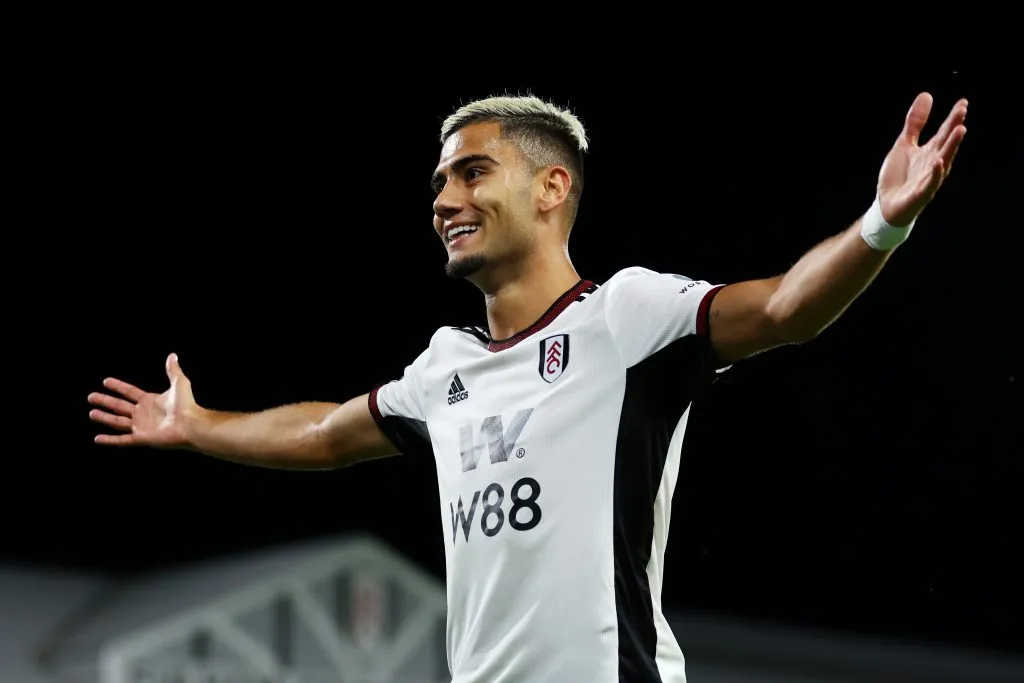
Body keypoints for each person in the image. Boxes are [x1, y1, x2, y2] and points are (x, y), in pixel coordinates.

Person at [88, 92, 968, 683]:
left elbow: (783, 307)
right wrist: (199, 425)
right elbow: (322, 434)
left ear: (552, 188)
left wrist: (882, 222)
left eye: (472, 171)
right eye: (438, 181)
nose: (444, 197)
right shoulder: (446, 369)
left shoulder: (624, 318)